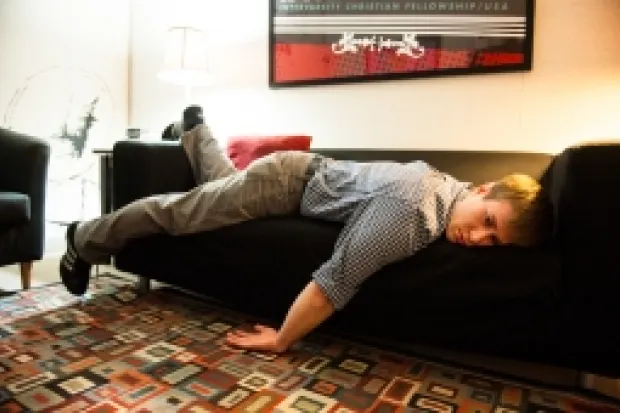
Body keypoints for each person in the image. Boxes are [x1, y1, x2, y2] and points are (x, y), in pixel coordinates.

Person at [59, 116, 552, 354]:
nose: (479, 239)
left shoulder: (449, 189)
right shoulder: (414, 211)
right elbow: (334, 279)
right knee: (181, 213)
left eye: (495, 242)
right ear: (484, 188)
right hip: (287, 183)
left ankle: (194, 129)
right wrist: (280, 341)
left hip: (298, 178)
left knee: (217, 190)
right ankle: (84, 238)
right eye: (487, 220)